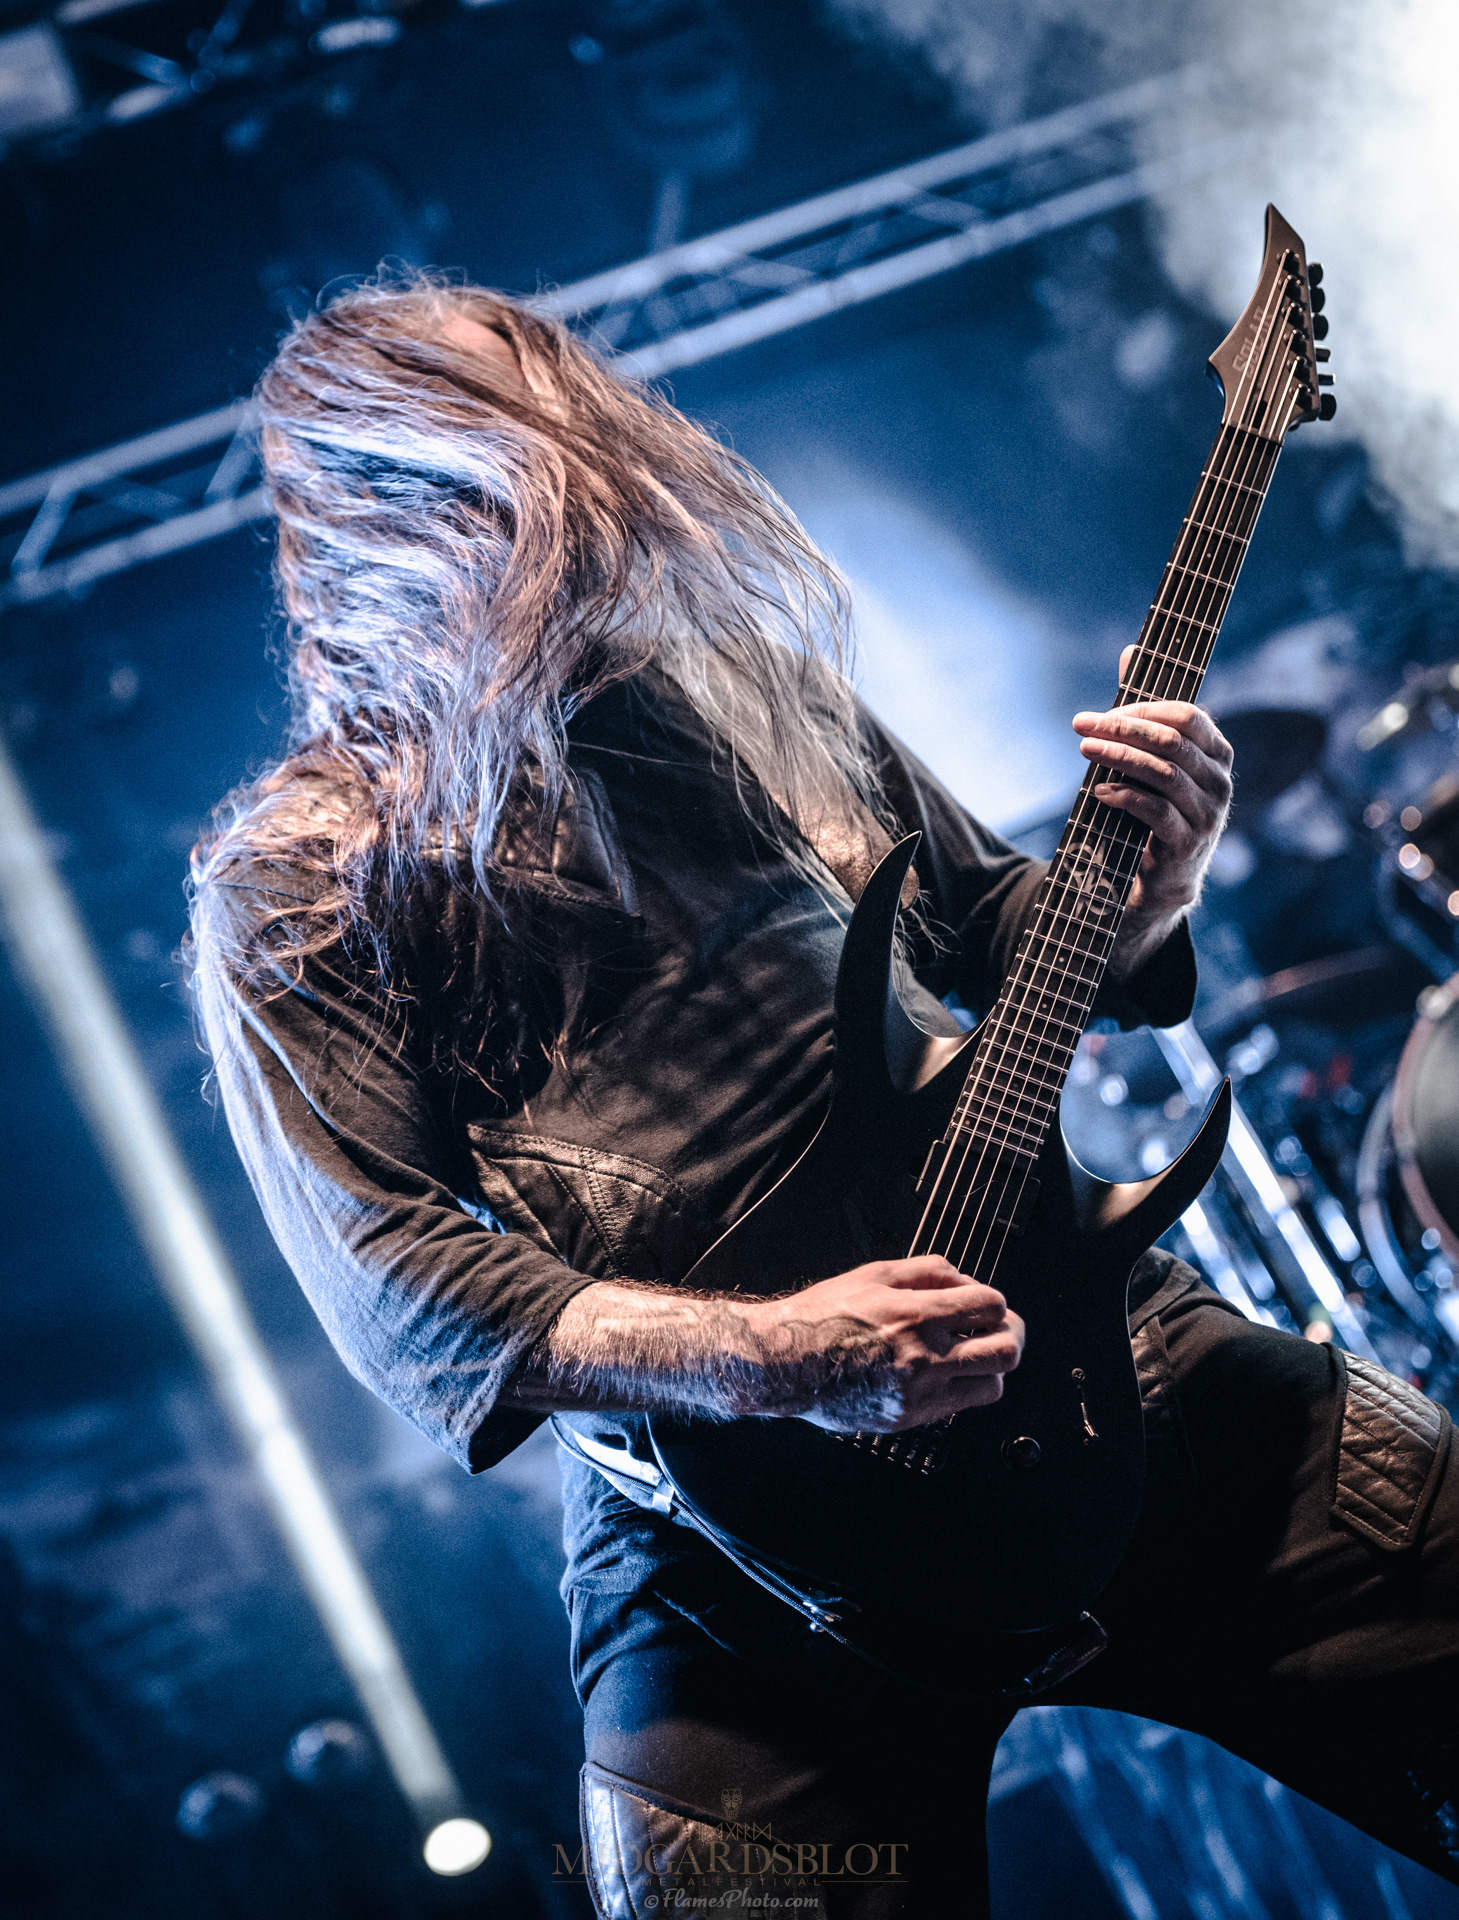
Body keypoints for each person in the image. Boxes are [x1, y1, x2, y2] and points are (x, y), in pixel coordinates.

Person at [190, 277, 1459, 1917]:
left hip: (1094, 1344)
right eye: (514, 455)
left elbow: (1006, 931)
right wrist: (771, 1358)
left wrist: (1160, 882)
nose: (587, 482)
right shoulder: (304, 872)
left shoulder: (740, 687)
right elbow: (394, 1279)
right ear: (387, 507)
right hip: (724, 1543)